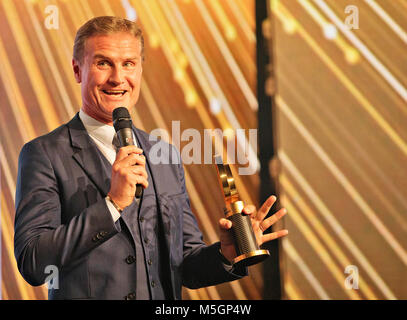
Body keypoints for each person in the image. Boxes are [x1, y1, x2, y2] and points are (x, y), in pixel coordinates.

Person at [14, 16, 288, 300]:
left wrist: (226, 254)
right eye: (103, 63)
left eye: (129, 63)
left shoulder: (164, 155)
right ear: (77, 70)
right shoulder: (44, 154)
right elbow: (33, 262)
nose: (118, 78)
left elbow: (186, 265)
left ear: (141, 69)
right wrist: (112, 206)